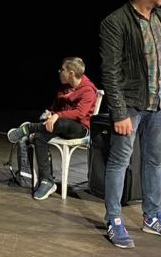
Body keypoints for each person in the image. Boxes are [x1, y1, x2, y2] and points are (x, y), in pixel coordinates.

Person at [98, 0, 161, 248]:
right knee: (120, 161)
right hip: (131, 106)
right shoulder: (116, 21)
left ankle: (152, 217)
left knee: (154, 161)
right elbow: (110, 71)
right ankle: (114, 219)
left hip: (160, 103)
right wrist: (119, 112)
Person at [6, 56, 98, 200]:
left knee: (60, 122)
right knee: (39, 137)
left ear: (71, 73)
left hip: (79, 128)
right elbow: (56, 107)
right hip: (59, 126)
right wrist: (51, 113)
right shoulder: (64, 87)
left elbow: (80, 113)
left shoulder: (88, 90)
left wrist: (57, 115)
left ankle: (29, 128)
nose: (59, 71)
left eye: (62, 69)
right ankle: (47, 181)